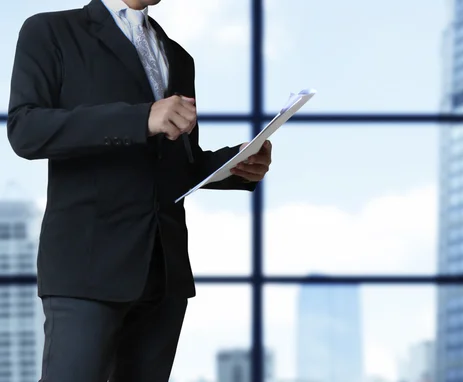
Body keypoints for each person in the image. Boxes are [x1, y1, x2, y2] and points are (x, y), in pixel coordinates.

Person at [6, 0, 272, 381]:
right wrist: (141, 117)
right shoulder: (50, 32)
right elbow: (25, 129)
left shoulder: (178, 56)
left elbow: (179, 163)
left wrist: (237, 166)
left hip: (163, 274)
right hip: (87, 268)